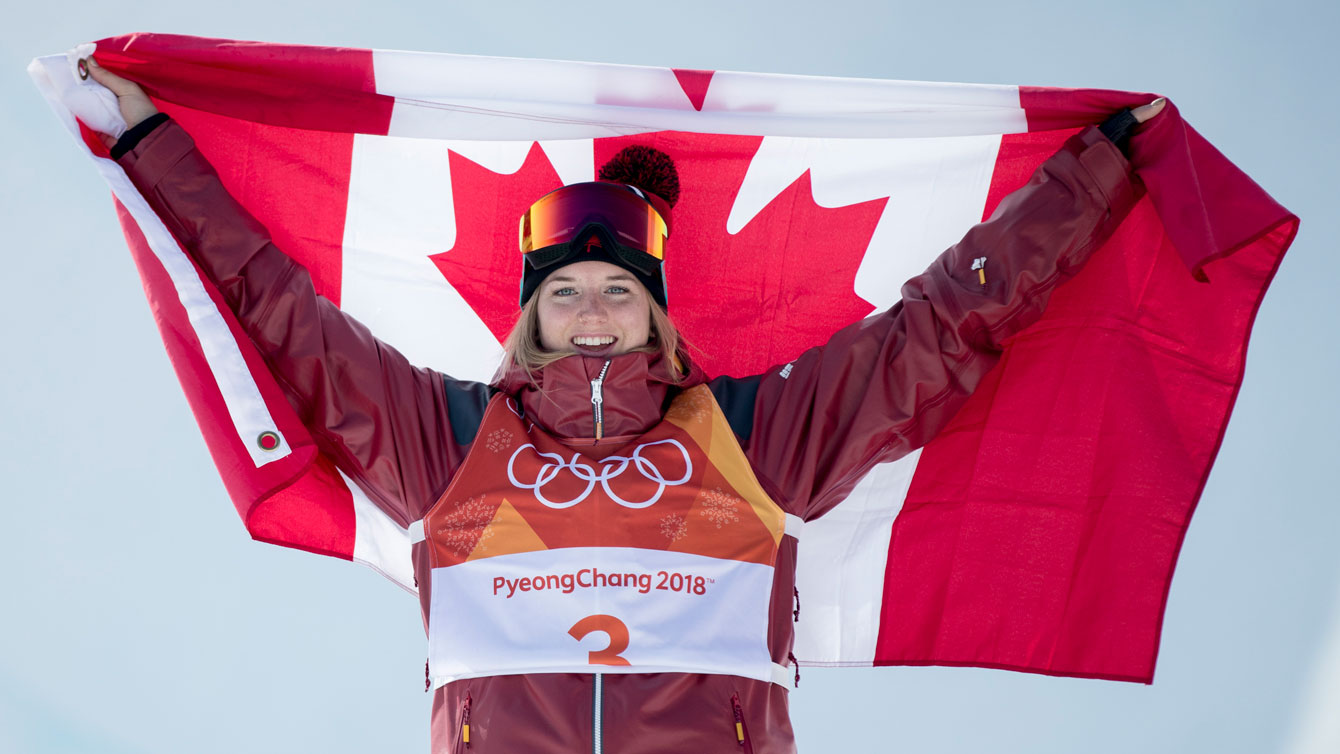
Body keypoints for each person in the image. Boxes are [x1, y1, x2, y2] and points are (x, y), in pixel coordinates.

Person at [86, 58, 1162, 754]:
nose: (591, 313)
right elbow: (278, 313)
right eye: (563, 294)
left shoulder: (751, 438)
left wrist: (1099, 169)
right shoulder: (445, 443)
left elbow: (937, 329)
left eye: (616, 292)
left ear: (653, 316)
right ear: (531, 318)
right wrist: (149, 146)